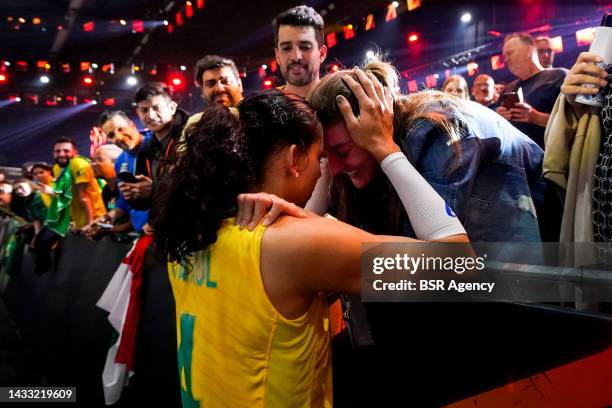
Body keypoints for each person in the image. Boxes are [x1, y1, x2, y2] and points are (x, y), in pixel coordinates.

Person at [150, 89, 469, 407]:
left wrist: (305, 219)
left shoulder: (195, 229)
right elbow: (458, 266)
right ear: (293, 159)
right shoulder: (290, 244)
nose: (324, 170)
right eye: (319, 158)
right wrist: (386, 149)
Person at [119, 83, 189, 212]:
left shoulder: (193, 135)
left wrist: (154, 189)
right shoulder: (145, 149)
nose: (150, 116)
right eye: (144, 110)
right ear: (138, 112)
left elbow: (202, 185)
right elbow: (146, 203)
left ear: (172, 107)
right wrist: (135, 195)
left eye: (156, 108)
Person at [495, 32, 566, 148]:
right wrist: (499, 119)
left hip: (549, 159)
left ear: (528, 51)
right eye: (505, 55)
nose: (506, 59)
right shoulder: (508, 89)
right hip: (517, 160)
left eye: (510, 53)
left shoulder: (559, 76)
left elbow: (574, 123)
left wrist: (535, 117)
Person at [50, 137, 106, 231]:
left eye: (66, 151)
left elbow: (84, 196)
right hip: (79, 222)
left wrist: (90, 223)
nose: (61, 154)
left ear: (75, 152)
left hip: (96, 218)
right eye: (57, 151)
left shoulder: (79, 164)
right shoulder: (56, 168)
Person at [272, 5, 327, 98]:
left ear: (321, 53)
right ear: (277, 56)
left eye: (305, 47)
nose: (296, 56)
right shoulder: (262, 109)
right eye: (286, 48)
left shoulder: (341, 104)